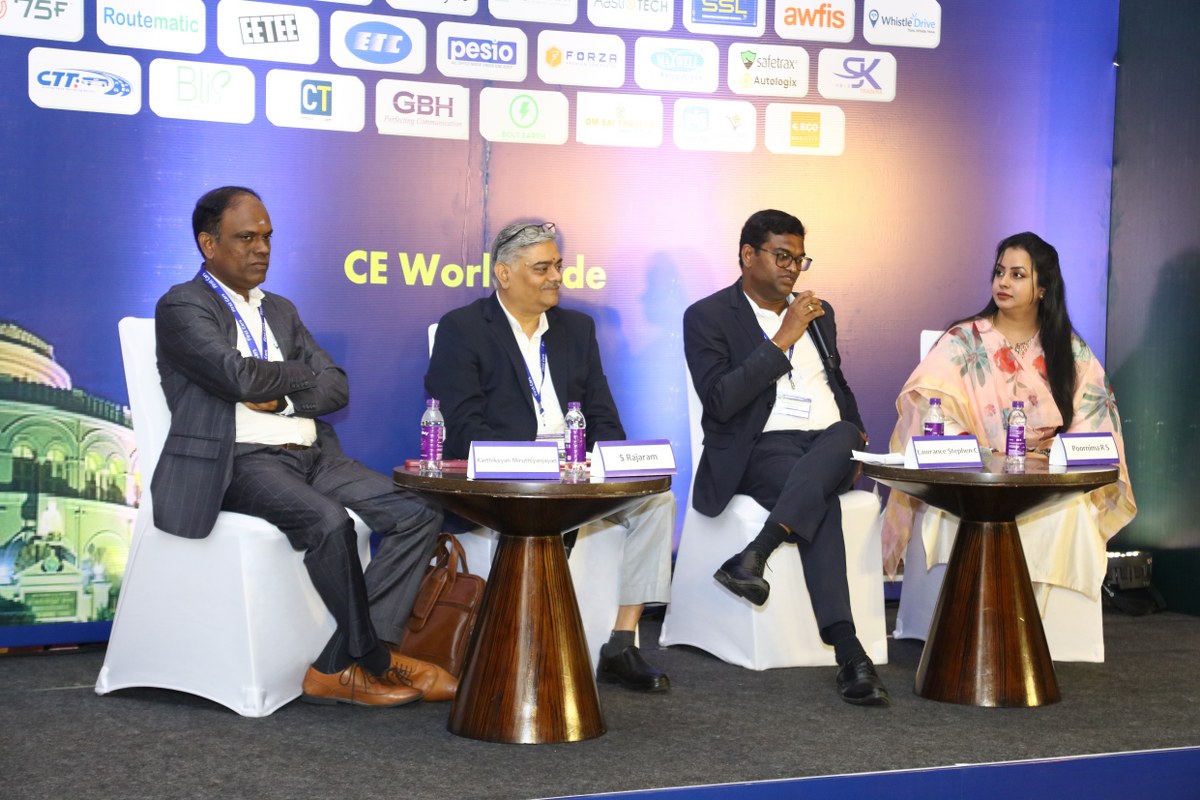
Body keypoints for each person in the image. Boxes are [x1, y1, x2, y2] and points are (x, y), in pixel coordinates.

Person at [153, 186, 453, 707]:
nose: (261, 248)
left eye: (267, 236)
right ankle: (375, 663)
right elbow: (238, 377)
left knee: (419, 512)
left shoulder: (281, 310)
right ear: (208, 243)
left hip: (312, 455)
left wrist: (285, 398)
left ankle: (345, 662)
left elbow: (337, 385)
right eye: (246, 237)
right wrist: (298, 373)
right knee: (328, 522)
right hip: (241, 461)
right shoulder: (183, 305)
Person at [425, 221, 674, 693]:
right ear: (504, 274)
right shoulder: (464, 329)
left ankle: (621, 642)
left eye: (558, 265)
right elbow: (463, 426)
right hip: (511, 475)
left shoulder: (576, 329)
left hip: (576, 470)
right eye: (542, 268)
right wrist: (532, 464)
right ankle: (528, 643)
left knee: (657, 501)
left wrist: (610, 467)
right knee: (545, 509)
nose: (556, 276)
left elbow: (602, 416)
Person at [683, 209, 889, 707]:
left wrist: (856, 427)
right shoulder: (708, 316)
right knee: (819, 499)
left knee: (843, 434)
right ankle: (849, 652)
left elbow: (836, 380)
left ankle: (757, 553)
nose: (793, 268)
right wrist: (782, 339)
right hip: (761, 447)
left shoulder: (820, 311)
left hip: (830, 444)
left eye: (799, 259)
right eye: (781, 256)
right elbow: (720, 401)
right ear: (747, 255)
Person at [881, 232, 1136, 607]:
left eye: (1017, 275)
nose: (1003, 282)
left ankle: (1043, 621)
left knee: (1069, 511)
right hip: (976, 480)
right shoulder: (964, 341)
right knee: (969, 507)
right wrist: (984, 456)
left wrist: (1050, 456)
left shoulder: (1069, 350)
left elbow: (1095, 420)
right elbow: (929, 407)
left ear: (1043, 288)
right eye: (999, 272)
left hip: (1043, 480)